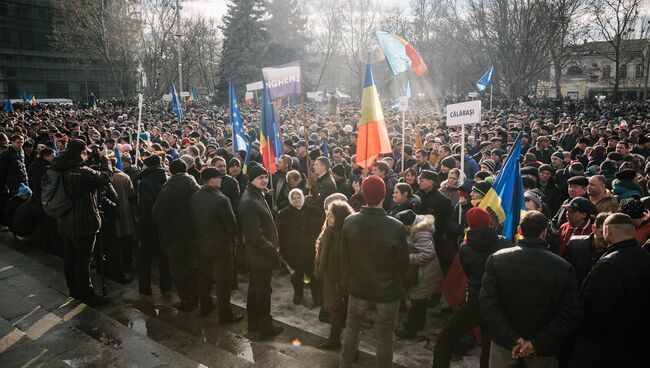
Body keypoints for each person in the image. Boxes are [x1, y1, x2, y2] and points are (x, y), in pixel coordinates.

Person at [480, 211, 579, 368]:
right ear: (545, 232)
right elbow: (568, 313)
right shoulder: (563, 267)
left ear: (519, 230)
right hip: (542, 350)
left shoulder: (496, 259)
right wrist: (535, 343)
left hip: (504, 347)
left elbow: (489, 304)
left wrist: (513, 339)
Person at [339, 175, 409, 368]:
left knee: (352, 329)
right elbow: (404, 264)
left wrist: (346, 283)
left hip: (359, 287)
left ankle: (344, 365)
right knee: (385, 336)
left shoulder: (349, 221)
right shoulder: (395, 226)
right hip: (387, 292)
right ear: (383, 195)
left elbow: (344, 259)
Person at [433, 207, 511, 368]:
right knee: (489, 347)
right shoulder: (505, 244)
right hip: (496, 304)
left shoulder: (465, 248)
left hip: (474, 301)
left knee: (446, 338)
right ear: (489, 222)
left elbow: (468, 273)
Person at [570, 213, 650, 368]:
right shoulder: (646, 257)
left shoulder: (608, 264)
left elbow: (591, 309)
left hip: (608, 348)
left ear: (608, 231)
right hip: (639, 346)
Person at [52, 139, 113, 306]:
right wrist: (104, 158)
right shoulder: (82, 172)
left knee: (70, 257)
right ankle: (87, 294)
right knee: (83, 260)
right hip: (83, 221)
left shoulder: (57, 167)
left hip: (64, 219)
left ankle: (73, 290)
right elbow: (106, 177)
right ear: (80, 153)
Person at [190, 167, 243, 322]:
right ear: (212, 179)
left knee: (205, 278)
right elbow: (232, 226)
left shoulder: (195, 196)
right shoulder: (222, 199)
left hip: (202, 244)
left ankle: (205, 307)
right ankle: (225, 315)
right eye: (219, 177)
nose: (221, 179)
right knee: (223, 281)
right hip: (221, 246)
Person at [238, 165, 284, 338]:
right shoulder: (250, 201)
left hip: (259, 254)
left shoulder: (256, 194)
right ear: (251, 180)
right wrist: (272, 250)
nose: (264, 180)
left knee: (255, 289)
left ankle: (254, 323)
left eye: (265, 177)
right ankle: (265, 327)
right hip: (260, 255)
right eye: (260, 178)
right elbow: (254, 236)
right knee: (263, 292)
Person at [152, 159, 200, 311]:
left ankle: (186, 301)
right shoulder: (196, 186)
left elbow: (157, 214)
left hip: (174, 237)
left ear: (170, 172)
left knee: (178, 269)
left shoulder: (168, 190)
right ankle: (196, 297)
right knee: (193, 267)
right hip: (193, 234)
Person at [394, 210, 442, 339]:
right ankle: (419, 323)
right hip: (425, 270)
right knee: (420, 300)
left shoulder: (420, 232)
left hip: (424, 273)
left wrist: (408, 257)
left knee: (417, 300)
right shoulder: (418, 224)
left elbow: (428, 254)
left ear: (409, 225)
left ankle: (410, 330)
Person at [314, 200, 354, 349]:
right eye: (328, 215)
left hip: (340, 282)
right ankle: (334, 339)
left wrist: (343, 284)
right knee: (333, 310)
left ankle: (350, 348)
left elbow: (348, 264)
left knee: (345, 314)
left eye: (331, 216)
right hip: (329, 279)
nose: (328, 218)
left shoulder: (347, 235)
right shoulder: (329, 231)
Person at [276, 188, 323, 305]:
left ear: (303, 197)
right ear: (290, 200)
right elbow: (281, 233)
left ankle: (316, 296)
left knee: (312, 274)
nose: (297, 200)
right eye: (294, 198)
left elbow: (319, 230)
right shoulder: (285, 214)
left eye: (298, 197)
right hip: (293, 251)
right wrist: (283, 250)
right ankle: (298, 293)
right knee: (296, 275)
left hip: (310, 250)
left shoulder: (314, 211)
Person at [135, 154, 171, 296]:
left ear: (147, 166)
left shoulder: (144, 182)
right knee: (164, 257)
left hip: (149, 224)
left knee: (144, 259)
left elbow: (145, 205)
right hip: (164, 224)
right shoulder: (167, 179)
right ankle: (166, 286)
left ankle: (145, 288)